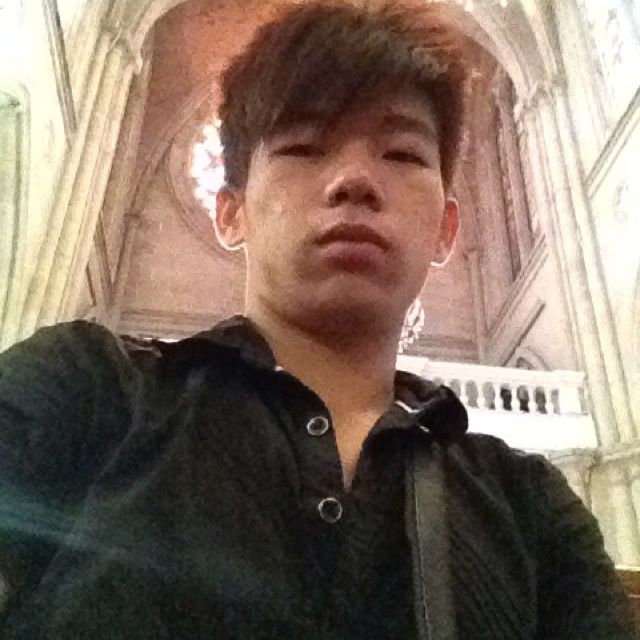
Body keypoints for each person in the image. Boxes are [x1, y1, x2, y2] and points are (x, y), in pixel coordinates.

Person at [0, 1, 636, 638]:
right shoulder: (86, 390)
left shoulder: (532, 509)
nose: (354, 180)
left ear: (445, 229)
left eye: (402, 154)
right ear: (231, 211)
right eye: (303, 147)